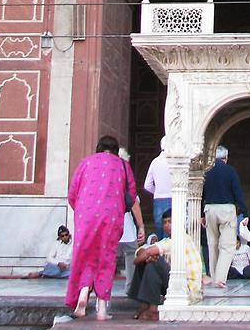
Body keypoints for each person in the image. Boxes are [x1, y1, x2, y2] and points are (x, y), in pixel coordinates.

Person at [65, 135, 145, 320]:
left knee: (85, 255)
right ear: (116, 150)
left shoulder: (86, 163)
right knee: (105, 258)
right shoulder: (122, 165)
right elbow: (131, 196)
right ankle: (102, 309)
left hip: (86, 215)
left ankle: (83, 294)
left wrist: (83, 210)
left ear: (98, 148)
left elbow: (72, 193)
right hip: (111, 216)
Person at [128, 209, 203, 321]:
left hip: (187, 290)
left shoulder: (181, 238)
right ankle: (145, 304)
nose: (167, 225)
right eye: (164, 222)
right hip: (176, 284)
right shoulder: (168, 240)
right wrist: (144, 256)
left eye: (170, 222)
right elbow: (142, 250)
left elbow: (148, 252)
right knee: (150, 259)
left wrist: (139, 260)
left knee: (154, 261)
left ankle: (152, 308)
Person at [202, 144, 247, 287]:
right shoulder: (230, 171)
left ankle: (214, 275)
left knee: (212, 244)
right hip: (227, 209)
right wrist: (245, 211)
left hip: (209, 208)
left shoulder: (206, 170)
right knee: (227, 246)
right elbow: (237, 191)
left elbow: (200, 192)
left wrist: (200, 214)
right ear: (226, 158)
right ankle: (220, 279)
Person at [117, 148, 141, 292]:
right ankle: (130, 287)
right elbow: (133, 202)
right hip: (125, 224)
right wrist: (141, 226)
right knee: (131, 253)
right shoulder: (125, 177)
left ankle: (100, 293)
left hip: (107, 224)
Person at [144, 136, 173, 243]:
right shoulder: (175, 161)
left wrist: (157, 191)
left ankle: (160, 257)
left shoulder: (155, 162)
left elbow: (147, 185)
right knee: (173, 234)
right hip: (174, 199)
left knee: (160, 233)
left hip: (159, 201)